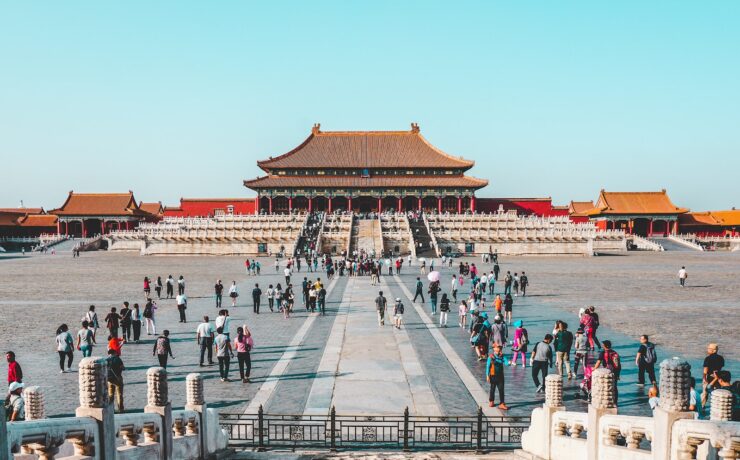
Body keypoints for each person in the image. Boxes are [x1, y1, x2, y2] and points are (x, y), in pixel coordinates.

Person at [593, 340, 622, 405]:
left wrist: (594, 368)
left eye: (603, 344)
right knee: (614, 386)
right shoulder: (614, 352)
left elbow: (598, 362)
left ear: (605, 346)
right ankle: (615, 401)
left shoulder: (603, 353)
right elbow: (618, 364)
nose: (602, 345)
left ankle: (608, 401)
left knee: (607, 386)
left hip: (607, 371)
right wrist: (618, 374)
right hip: (615, 371)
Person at [486, 344, 509, 410]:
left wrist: (509, 362)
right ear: (494, 350)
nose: (498, 352)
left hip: (500, 376)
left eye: (499, 350)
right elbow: (488, 367)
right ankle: (491, 401)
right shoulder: (491, 357)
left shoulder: (502, 357)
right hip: (493, 376)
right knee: (492, 389)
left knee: (501, 390)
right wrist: (487, 375)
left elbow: (506, 363)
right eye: (497, 350)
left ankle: (502, 403)